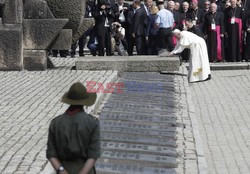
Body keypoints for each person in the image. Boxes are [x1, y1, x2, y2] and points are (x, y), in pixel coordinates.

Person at [46, 82, 100, 174]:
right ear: (84, 102)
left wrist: (62, 171)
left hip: (64, 168)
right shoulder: (92, 123)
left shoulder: (55, 123)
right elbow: (93, 156)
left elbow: (51, 154)